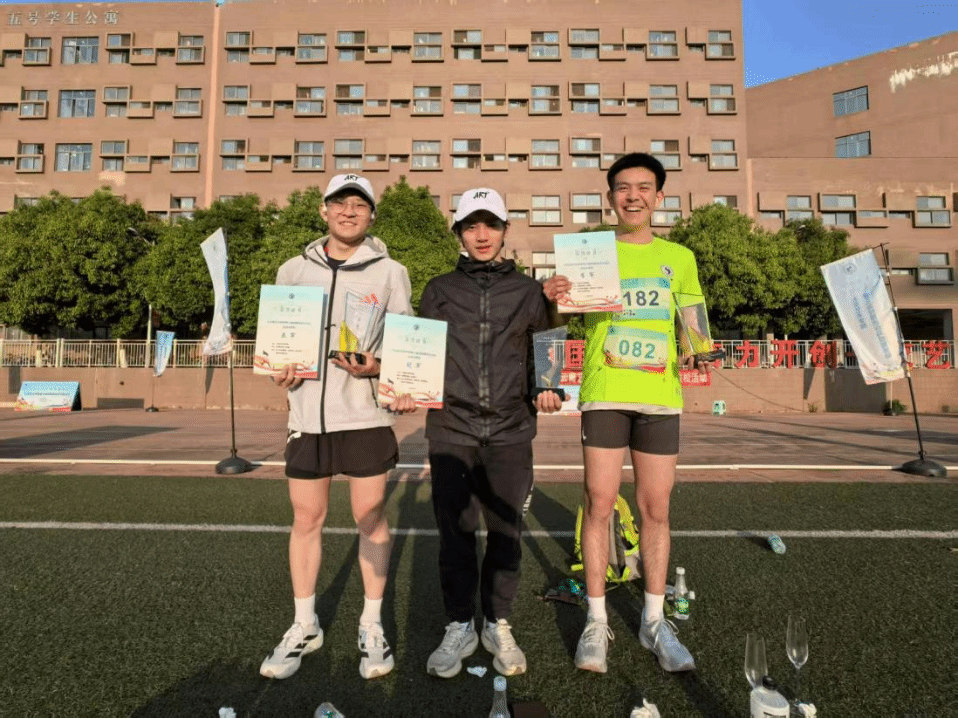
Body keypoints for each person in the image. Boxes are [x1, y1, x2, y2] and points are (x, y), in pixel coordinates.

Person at [543, 153, 713, 674]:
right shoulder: (588, 252)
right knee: (598, 503)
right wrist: (552, 298)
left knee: (655, 508)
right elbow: (557, 318)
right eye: (622, 187)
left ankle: (654, 621)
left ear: (659, 197)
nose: (632, 196)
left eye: (643, 187)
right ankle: (596, 621)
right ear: (610, 196)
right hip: (605, 392)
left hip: (659, 397)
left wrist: (698, 349)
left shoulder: (679, 257)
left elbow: (693, 322)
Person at [259, 174, 416, 681]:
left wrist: (382, 369)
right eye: (340, 203)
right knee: (306, 518)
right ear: (323, 211)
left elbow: (406, 343)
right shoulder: (291, 270)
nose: (349, 211)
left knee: (370, 517)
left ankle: (371, 624)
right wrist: (279, 368)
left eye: (359, 204)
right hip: (307, 417)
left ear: (371, 215)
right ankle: (305, 624)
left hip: (365, 416)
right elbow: (279, 344)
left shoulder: (391, 272)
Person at [419, 188, 563, 678]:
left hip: (510, 429)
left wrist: (547, 388)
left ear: (505, 230)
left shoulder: (529, 291)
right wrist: (403, 386)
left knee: (505, 534)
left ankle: (497, 622)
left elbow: (544, 346)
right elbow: (421, 352)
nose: (482, 235)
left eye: (491, 225)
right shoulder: (438, 289)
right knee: (455, 535)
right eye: (471, 225)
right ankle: (459, 623)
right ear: (458, 233)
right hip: (451, 428)